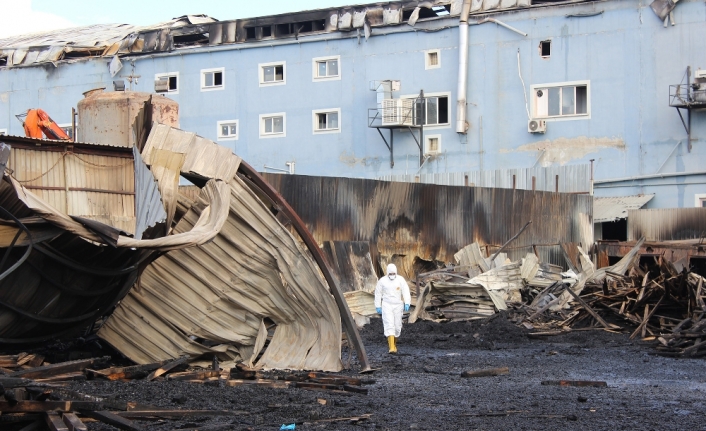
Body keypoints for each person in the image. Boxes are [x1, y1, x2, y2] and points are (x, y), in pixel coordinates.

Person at [374, 263, 411, 354]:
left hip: (398, 305)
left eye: (393, 274)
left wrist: (407, 302)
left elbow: (406, 291)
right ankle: (391, 347)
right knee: (389, 324)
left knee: (397, 326)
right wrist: (378, 305)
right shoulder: (382, 281)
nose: (392, 276)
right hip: (387, 304)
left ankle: (394, 344)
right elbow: (378, 293)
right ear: (387, 273)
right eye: (390, 274)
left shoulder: (400, 280)